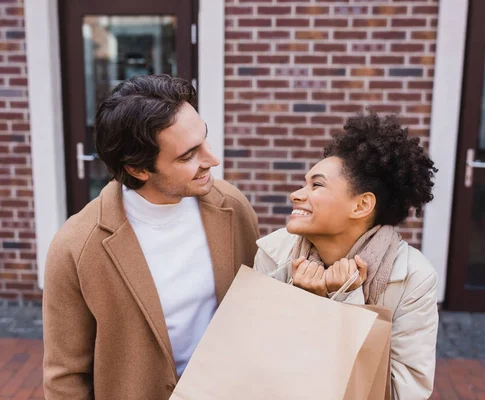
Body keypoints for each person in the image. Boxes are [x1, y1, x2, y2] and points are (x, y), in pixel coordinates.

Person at [43, 75, 259, 399]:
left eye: (204, 140)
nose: (212, 160)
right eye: (188, 156)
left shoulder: (232, 207)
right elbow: (65, 377)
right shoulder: (76, 248)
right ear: (138, 169)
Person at [254, 111, 439, 399]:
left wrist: (346, 301)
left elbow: (404, 391)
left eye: (316, 185)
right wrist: (299, 300)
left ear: (361, 205)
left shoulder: (413, 277)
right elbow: (253, 357)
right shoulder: (272, 252)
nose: (296, 194)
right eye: (305, 182)